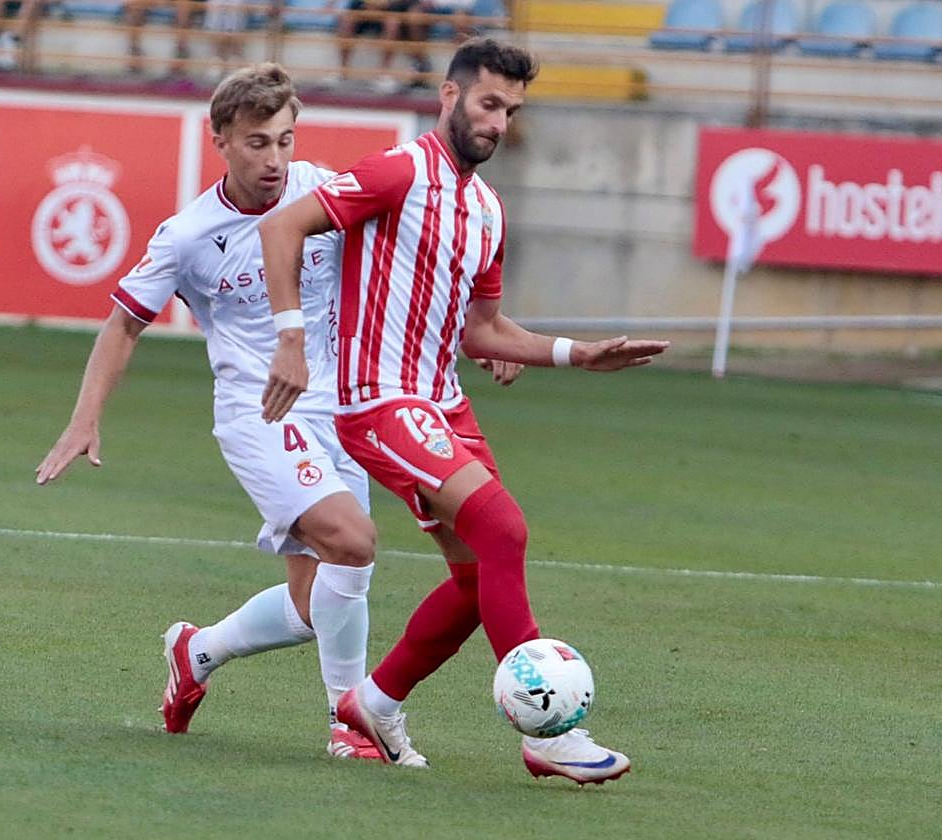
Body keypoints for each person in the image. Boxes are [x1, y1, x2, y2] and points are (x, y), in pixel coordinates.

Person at [258, 37, 670, 782]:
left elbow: (483, 330)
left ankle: (372, 703)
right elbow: (281, 226)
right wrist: (291, 340)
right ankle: (549, 735)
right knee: (503, 528)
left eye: (511, 111)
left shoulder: (486, 210)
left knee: (480, 581)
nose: (498, 123)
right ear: (449, 96)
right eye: (488, 104)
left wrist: (578, 354)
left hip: (444, 405)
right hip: (379, 402)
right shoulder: (397, 172)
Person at [34, 62, 383, 760]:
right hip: (261, 415)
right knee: (353, 540)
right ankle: (352, 724)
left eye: (285, 140)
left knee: (315, 606)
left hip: (341, 409)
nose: (275, 159)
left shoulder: (323, 192)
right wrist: (84, 417)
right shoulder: (189, 234)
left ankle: (196, 651)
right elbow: (124, 325)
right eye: (257, 142)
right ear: (219, 139)